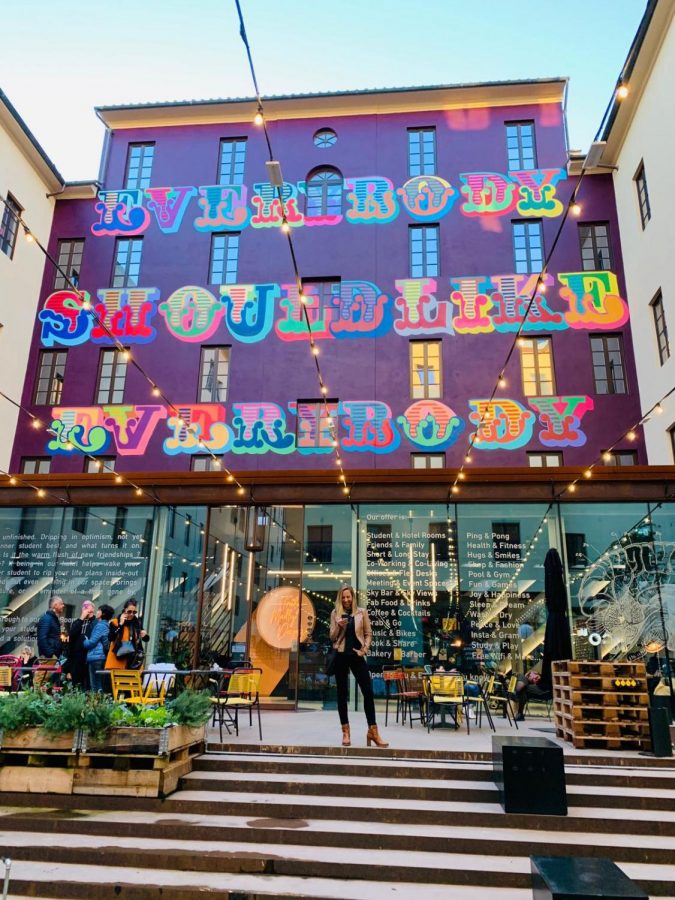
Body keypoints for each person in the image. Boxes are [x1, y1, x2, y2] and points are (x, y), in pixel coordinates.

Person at [329, 585, 388, 748]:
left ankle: (373, 732)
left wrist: (364, 650)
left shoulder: (362, 612)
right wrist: (339, 626)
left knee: (368, 691)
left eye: (349, 597)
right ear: (340, 598)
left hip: (356, 656)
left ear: (353, 597)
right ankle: (345, 732)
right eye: (343, 597)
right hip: (340, 656)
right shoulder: (335, 613)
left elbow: (369, 633)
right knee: (341, 694)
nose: (346, 600)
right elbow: (332, 637)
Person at [105, 599, 149, 672]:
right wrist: (120, 625)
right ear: (124, 610)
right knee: (117, 683)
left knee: (133, 683)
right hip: (117, 661)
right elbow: (111, 637)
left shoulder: (136, 624)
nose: (131, 614)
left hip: (133, 663)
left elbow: (146, 639)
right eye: (129, 611)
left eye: (134, 612)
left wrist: (145, 635)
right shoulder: (115, 622)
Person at [35, 596, 65, 688]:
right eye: (61, 604)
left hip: (51, 655)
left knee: (44, 680)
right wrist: (50, 653)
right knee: (41, 678)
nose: (63, 606)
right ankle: (34, 698)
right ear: (55, 605)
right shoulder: (47, 618)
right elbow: (42, 638)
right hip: (49, 655)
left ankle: (38, 699)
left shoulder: (52, 619)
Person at [83, 604, 114, 691]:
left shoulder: (100, 626)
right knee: (99, 685)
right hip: (100, 657)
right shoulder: (106, 625)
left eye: (98, 610)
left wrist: (85, 641)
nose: (96, 612)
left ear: (102, 613)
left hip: (96, 658)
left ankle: (96, 703)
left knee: (95, 686)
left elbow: (92, 642)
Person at [65, 600, 95, 689]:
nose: (86, 609)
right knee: (76, 685)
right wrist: (81, 618)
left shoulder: (94, 623)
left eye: (88, 607)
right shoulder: (78, 622)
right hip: (76, 659)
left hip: (88, 658)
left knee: (88, 684)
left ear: (93, 609)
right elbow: (72, 635)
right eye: (84, 607)